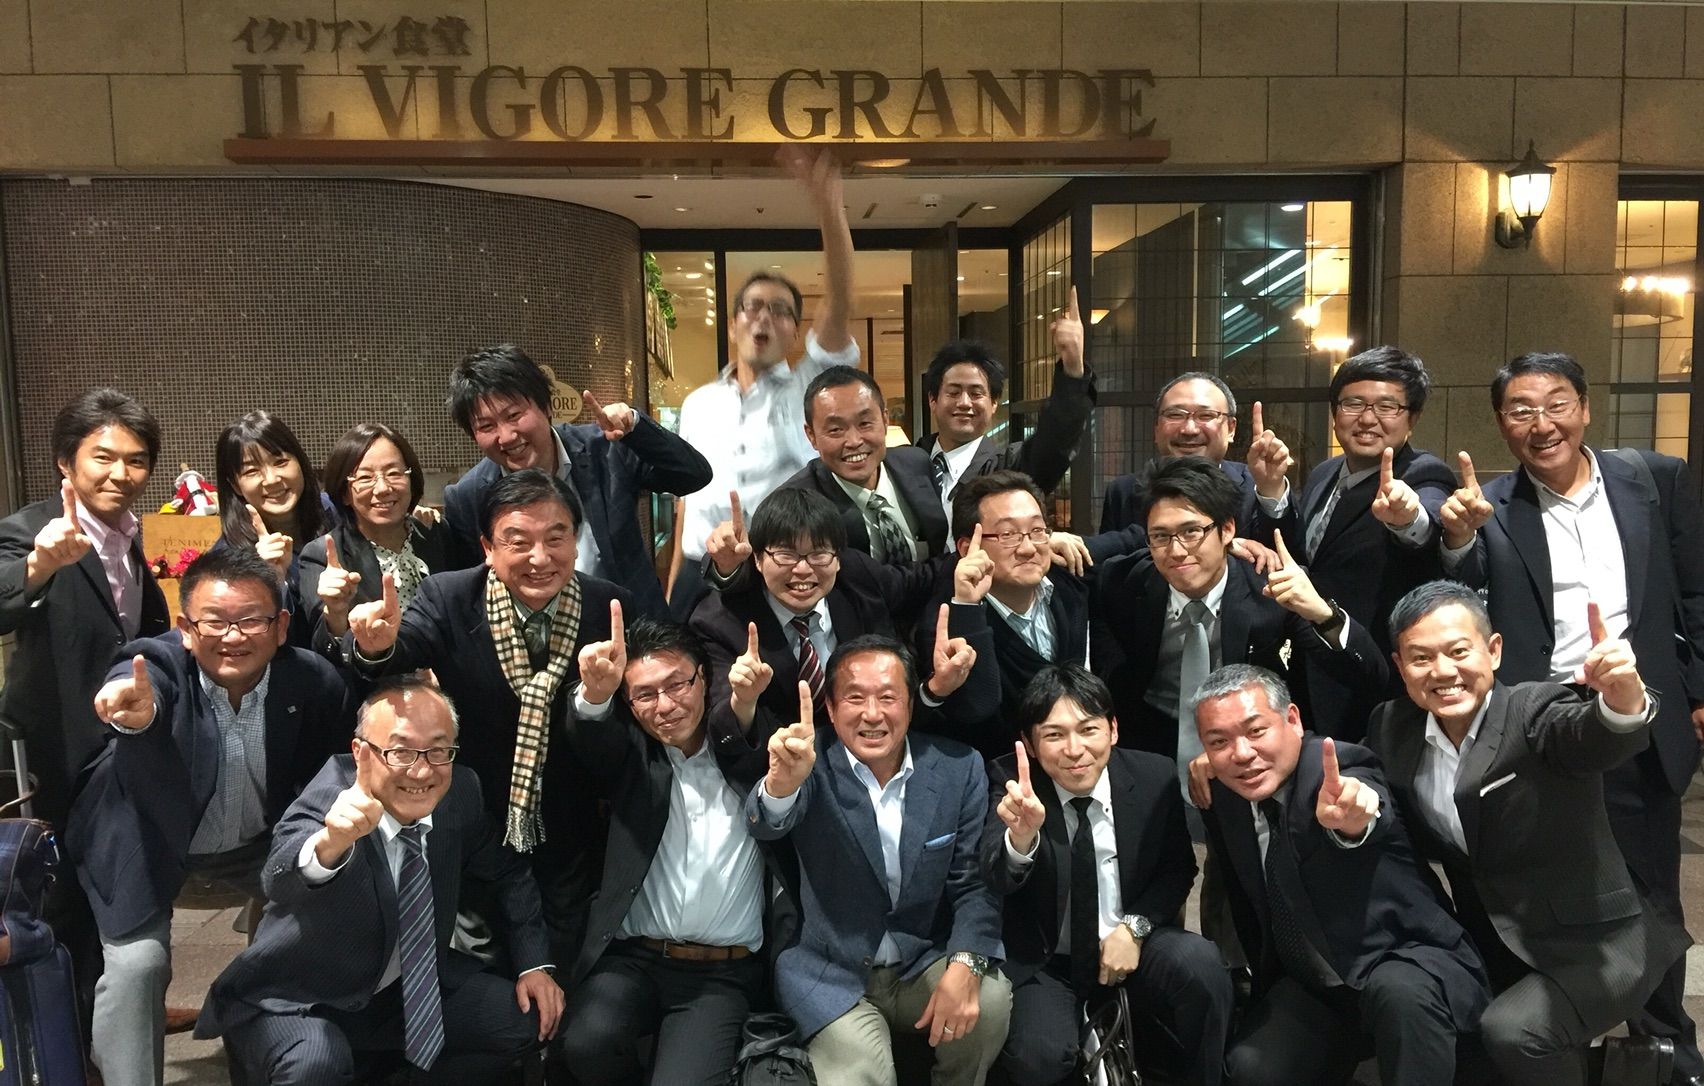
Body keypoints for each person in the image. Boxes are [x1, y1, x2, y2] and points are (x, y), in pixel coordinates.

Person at [1439, 350, 1704, 1079]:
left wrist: (1699, 692)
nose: (1542, 423)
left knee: (1651, 895)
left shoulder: (1654, 480)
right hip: (1542, 729)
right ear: (1501, 423)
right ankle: (1546, 1043)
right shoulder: (1488, 506)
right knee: (1541, 893)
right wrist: (1457, 540)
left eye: (1556, 404)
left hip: (1635, 713)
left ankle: (1665, 1050)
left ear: (1585, 408)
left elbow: (1696, 592)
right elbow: (1460, 598)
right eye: (1521, 410)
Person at [1366, 580, 1692, 1085]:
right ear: (1400, 666)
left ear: (1493, 651)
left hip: (1597, 942)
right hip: (1495, 941)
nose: (1443, 671)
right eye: (1421, 658)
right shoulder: (1393, 726)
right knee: (1450, 1030)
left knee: (1514, 1032)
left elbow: (1593, 735)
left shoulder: (1532, 709)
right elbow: (1362, 777)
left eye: (1458, 651)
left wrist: (1623, 699)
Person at [69, 547, 351, 1086]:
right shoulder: (159, 667)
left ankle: (277, 1055)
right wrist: (133, 712)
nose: (233, 636)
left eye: (251, 620)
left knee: (304, 933)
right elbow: (138, 679)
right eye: (214, 621)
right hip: (148, 844)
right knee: (137, 967)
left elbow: (332, 770)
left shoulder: (312, 681)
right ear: (185, 629)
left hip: (257, 847)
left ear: (281, 626)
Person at [197, 677, 564, 1084]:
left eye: (438, 750)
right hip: (300, 995)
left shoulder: (459, 791)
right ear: (361, 752)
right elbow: (278, 877)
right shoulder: (332, 796)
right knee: (315, 1065)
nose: (421, 770)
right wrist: (330, 844)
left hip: (401, 988)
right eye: (400, 751)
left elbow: (508, 872)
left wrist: (534, 964)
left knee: (525, 1021)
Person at [347, 468, 629, 965]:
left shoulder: (610, 609)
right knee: (482, 956)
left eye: (556, 538)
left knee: (565, 956)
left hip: (573, 818)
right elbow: (405, 646)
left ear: (575, 540)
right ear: (487, 548)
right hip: (479, 812)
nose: (539, 558)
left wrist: (599, 700)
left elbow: (623, 738)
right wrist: (376, 646)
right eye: (518, 542)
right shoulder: (450, 596)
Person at [1192, 664, 1489, 1086]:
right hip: (1314, 982)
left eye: (1256, 731)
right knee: (1250, 1069)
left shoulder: (1335, 766)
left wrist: (1354, 819)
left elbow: (1363, 801)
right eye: (1219, 741)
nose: (1241, 753)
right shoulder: (1227, 794)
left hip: (1401, 960)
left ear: (1292, 719)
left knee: (1401, 995)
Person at [745, 635, 1011, 1086]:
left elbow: (974, 882)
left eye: (888, 697)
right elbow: (765, 824)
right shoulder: (808, 762)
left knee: (989, 1000)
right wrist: (781, 786)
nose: (872, 714)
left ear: (911, 705)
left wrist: (965, 961)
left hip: (922, 960)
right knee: (861, 1073)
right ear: (830, 708)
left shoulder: (958, 767)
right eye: (855, 698)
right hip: (831, 971)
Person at [983, 665, 1231, 1086]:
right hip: (1048, 960)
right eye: (1054, 734)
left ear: (1113, 730)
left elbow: (1177, 868)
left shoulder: (1153, 776)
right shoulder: (1010, 781)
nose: (1074, 749)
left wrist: (1135, 928)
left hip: (1133, 944)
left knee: (1201, 965)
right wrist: (1021, 839)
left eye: (1088, 730)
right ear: (1030, 743)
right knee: (1038, 1059)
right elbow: (995, 876)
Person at [558, 615, 771, 1086]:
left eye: (677, 685)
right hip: (633, 959)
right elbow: (593, 739)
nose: (666, 706)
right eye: (645, 695)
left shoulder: (748, 755)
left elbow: (771, 778)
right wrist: (594, 694)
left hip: (721, 973)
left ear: (704, 679)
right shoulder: (634, 757)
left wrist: (745, 702)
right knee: (586, 1044)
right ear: (628, 703)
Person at [1092, 456, 1386, 783]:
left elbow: (1369, 676)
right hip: (1149, 747)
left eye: (1192, 531)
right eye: (1160, 536)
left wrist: (1322, 613)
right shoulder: (1122, 583)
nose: (1176, 551)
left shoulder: (1272, 590)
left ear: (1228, 529)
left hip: (1247, 750)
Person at [673, 146, 859, 617]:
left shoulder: (809, 391)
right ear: (732, 325)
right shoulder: (697, 404)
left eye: (780, 311)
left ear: (796, 332)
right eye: (752, 307)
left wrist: (829, 210)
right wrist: (673, 586)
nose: (763, 317)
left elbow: (838, 302)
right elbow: (686, 506)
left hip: (776, 575)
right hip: (698, 572)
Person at [690, 486, 990, 755]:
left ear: (837, 558)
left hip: (876, 755)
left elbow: (922, 579)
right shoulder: (720, 622)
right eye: (785, 554)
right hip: (783, 768)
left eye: (819, 554)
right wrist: (744, 701)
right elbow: (723, 733)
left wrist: (936, 686)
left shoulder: (856, 577)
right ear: (757, 559)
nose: (803, 569)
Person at [442, 342, 712, 618]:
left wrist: (635, 426)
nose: (507, 436)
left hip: (631, 629)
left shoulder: (606, 450)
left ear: (547, 406)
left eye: (514, 415)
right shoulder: (468, 497)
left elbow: (693, 475)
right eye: (487, 426)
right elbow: (471, 594)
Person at [0, 388, 169, 826]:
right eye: (103, 457)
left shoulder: (129, 536)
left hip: (120, 747)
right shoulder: (30, 530)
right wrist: (39, 566)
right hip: (52, 756)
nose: (121, 474)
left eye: (136, 460)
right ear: (65, 461)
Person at [1249, 346, 1454, 687]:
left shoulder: (1423, 473)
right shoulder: (1325, 473)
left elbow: (1428, 525)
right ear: (1334, 413)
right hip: (1311, 665)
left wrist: (1407, 518)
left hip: (1377, 674)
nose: (1368, 419)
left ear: (1413, 418)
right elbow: (1299, 555)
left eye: (1387, 406)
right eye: (1353, 403)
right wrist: (1271, 489)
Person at [921, 471, 1090, 756]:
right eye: (1007, 534)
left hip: (1078, 756)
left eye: (1036, 530)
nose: (1027, 548)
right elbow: (977, 708)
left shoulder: (1070, 583)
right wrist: (967, 606)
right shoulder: (945, 622)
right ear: (968, 548)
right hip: (1004, 769)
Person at [917, 287, 1092, 524]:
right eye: (954, 392)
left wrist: (1072, 371)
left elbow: (1054, 443)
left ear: (993, 403)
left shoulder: (1010, 470)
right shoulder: (907, 465)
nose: (964, 403)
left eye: (976, 393)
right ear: (933, 400)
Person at [299, 423, 454, 657]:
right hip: (374, 676)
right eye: (365, 477)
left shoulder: (437, 534)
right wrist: (335, 613)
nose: (382, 488)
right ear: (344, 493)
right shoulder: (320, 554)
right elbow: (326, 651)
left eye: (394, 473)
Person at [778, 365, 944, 563]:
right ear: (811, 436)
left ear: (885, 420)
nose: (854, 441)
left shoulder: (917, 463)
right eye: (835, 429)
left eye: (865, 423)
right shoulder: (794, 505)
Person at [212, 410, 334, 646]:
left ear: (300, 462)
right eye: (251, 471)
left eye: (280, 462)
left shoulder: (335, 513)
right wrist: (268, 580)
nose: (271, 479)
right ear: (235, 485)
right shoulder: (227, 559)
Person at [1099, 372, 1265, 537]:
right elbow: (1111, 553)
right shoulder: (1122, 492)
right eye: (1175, 415)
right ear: (1156, 429)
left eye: (1205, 415)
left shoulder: (1257, 486)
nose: (1189, 430)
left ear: (1231, 429)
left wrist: (1272, 490)